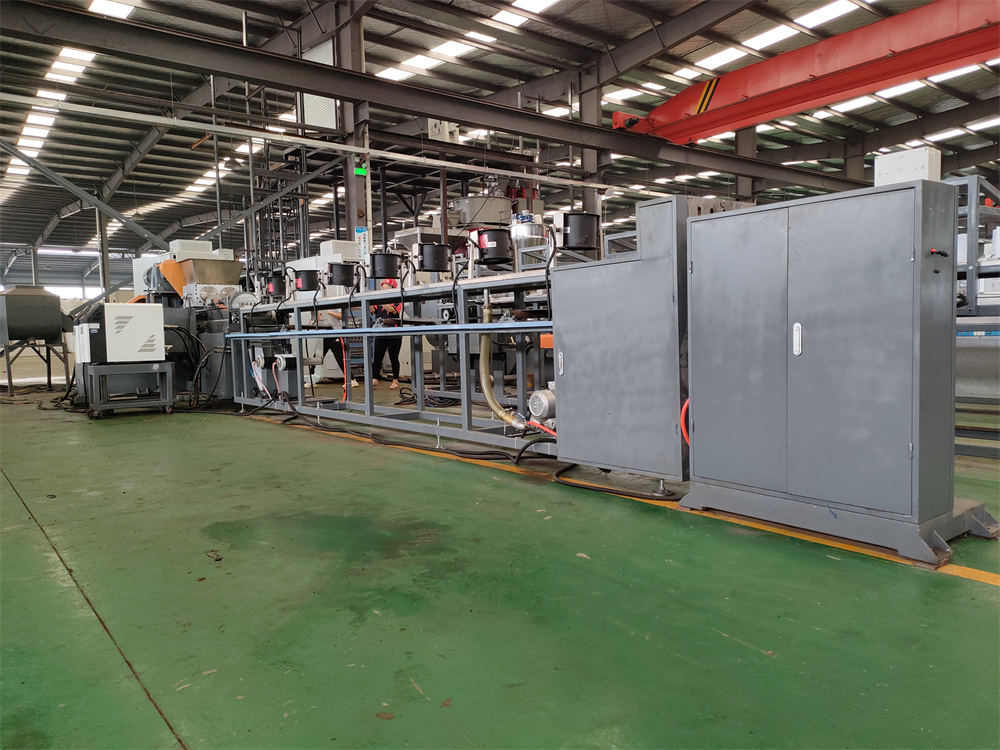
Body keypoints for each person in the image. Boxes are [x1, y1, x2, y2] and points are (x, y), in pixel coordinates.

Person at [371, 278, 402, 389]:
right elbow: (373, 310)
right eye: (383, 287)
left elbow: (391, 310)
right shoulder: (379, 301)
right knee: (377, 357)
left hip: (394, 332)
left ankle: (395, 380)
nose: (384, 289)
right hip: (380, 332)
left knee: (393, 357)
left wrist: (380, 300)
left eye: (387, 287)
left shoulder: (397, 300)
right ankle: (374, 378)